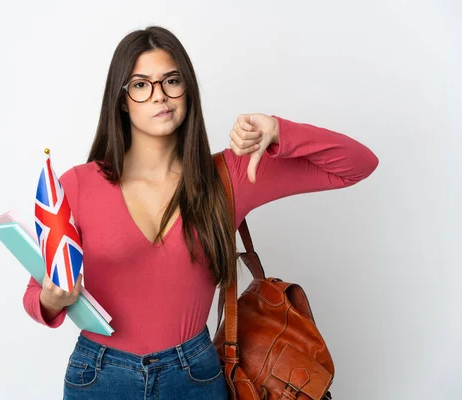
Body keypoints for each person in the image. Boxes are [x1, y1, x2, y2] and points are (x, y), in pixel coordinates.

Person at [22, 26, 379, 399]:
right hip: (99, 375)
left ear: (187, 90)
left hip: (194, 376)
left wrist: (279, 131)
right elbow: (36, 293)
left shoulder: (231, 176)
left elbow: (356, 165)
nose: (160, 95)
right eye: (141, 84)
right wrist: (53, 300)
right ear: (122, 99)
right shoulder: (78, 184)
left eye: (171, 81)